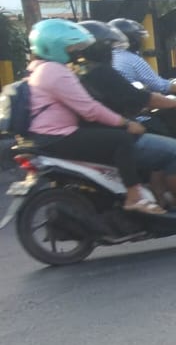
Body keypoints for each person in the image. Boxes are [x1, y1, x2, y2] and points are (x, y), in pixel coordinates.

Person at [22, 19, 163, 215]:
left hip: (46, 136)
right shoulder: (55, 72)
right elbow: (90, 109)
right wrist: (125, 123)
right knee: (122, 139)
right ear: (55, 47)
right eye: (71, 47)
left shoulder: (38, 68)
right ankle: (133, 197)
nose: (76, 52)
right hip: (59, 136)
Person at [73, 20, 176, 216]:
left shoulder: (76, 70)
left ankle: (157, 194)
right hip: (111, 132)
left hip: (89, 132)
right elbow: (144, 97)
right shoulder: (102, 72)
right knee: (175, 150)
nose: (112, 51)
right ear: (99, 47)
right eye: (109, 46)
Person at [106, 18, 176, 96]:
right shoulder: (131, 59)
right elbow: (159, 86)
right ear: (133, 39)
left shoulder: (105, 57)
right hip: (128, 104)